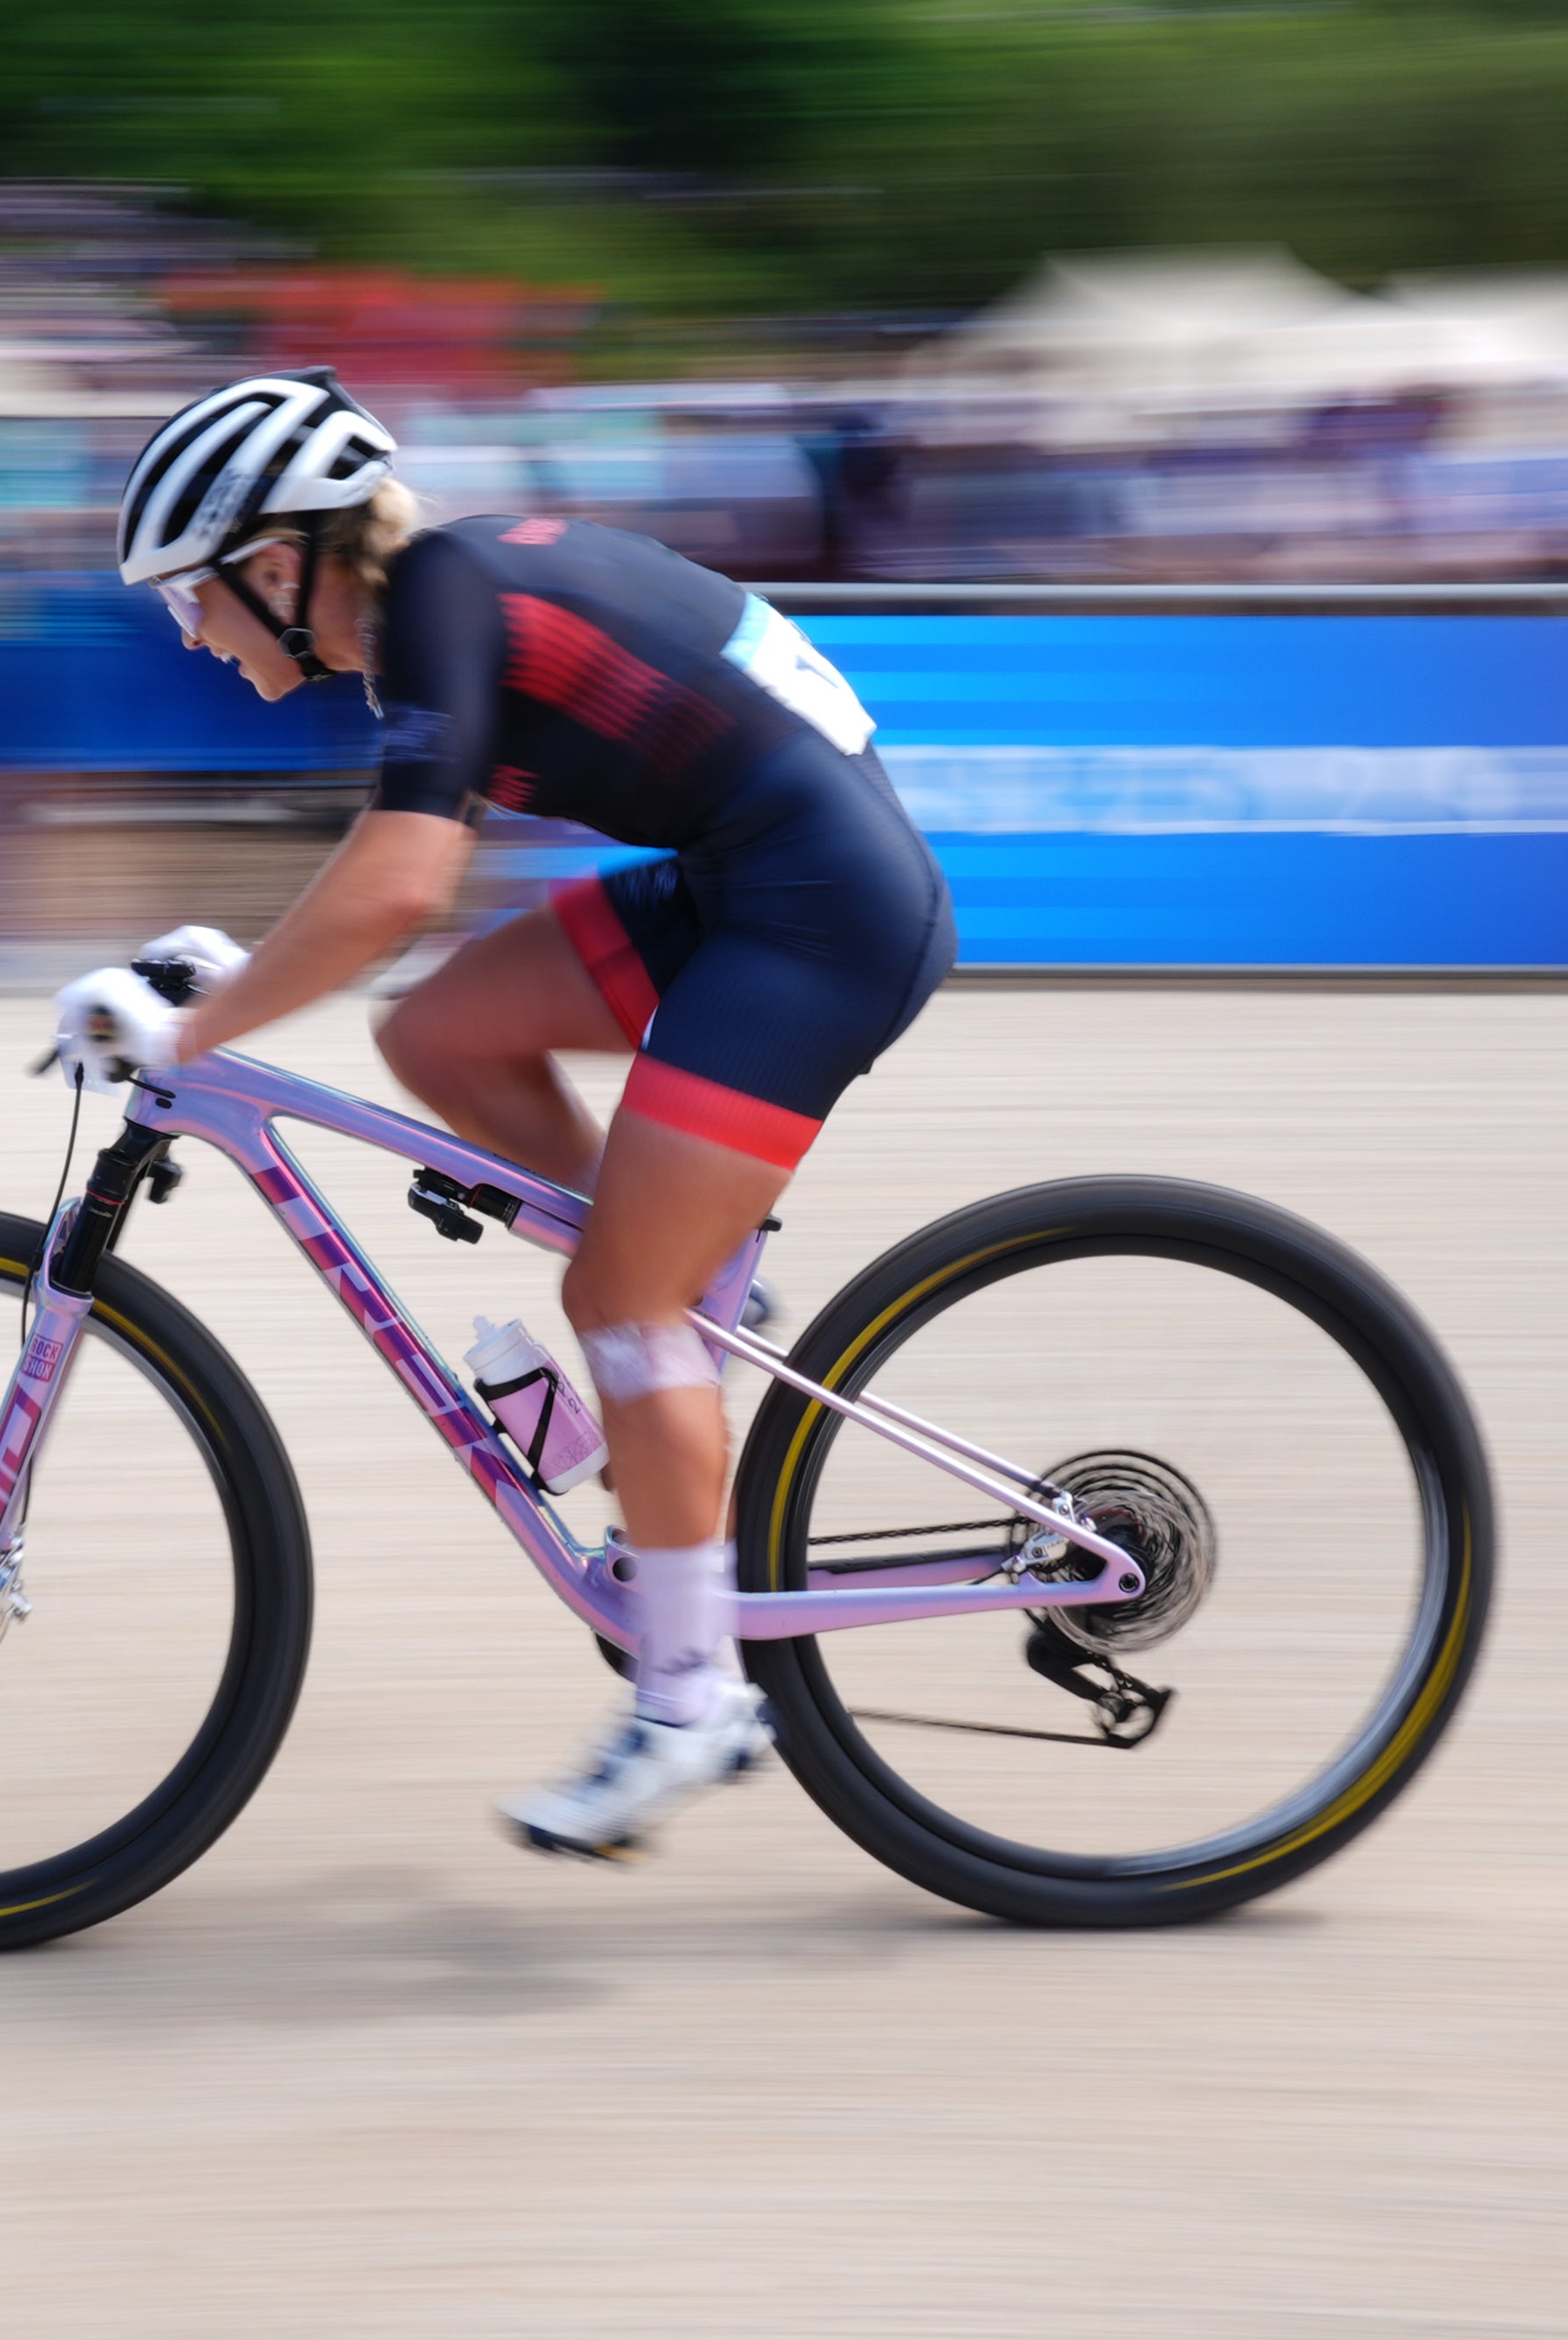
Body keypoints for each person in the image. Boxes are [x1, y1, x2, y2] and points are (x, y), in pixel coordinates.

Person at [50, 370, 958, 1860]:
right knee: (446, 1033)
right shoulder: (437, 601)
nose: (190, 632)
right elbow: (400, 899)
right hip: (760, 876)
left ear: (279, 565)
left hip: (817, 913)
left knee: (614, 1295)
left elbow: (403, 883)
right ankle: (687, 1296)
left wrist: (201, 1025)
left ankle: (691, 1700)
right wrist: (231, 978)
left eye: (193, 598)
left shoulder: (439, 598)